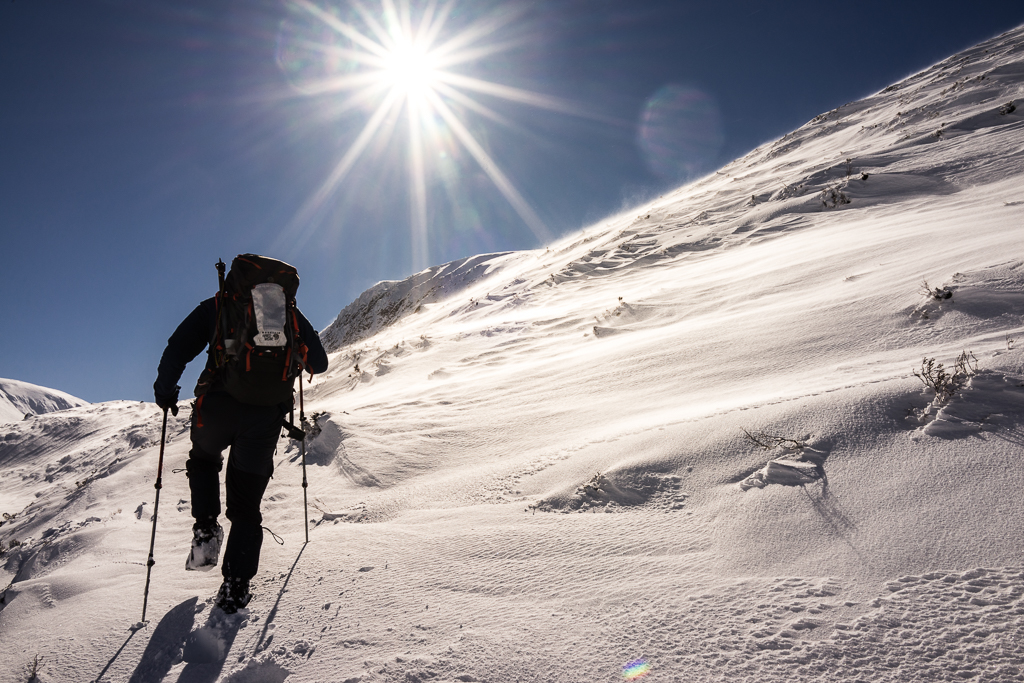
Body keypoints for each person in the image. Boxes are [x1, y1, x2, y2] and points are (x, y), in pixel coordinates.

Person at [153, 256, 328, 613]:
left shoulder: (219, 305)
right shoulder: (288, 314)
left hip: (216, 407)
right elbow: (319, 363)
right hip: (264, 418)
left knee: (203, 460)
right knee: (246, 506)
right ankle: (235, 588)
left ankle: (205, 529)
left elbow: (178, 348)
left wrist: (165, 391)